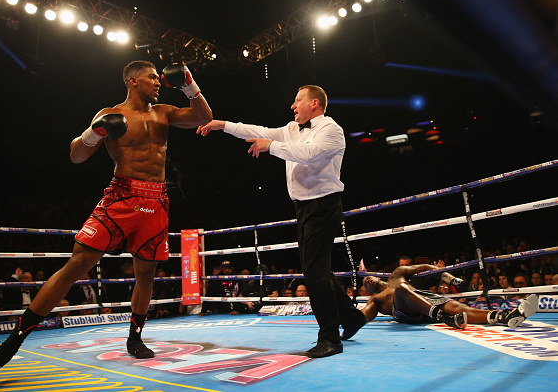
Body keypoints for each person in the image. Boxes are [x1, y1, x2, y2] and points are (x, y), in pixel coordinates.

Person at [0, 60, 212, 380]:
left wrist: (189, 85)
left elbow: (203, 117)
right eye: (152, 78)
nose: (158, 82)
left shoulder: (164, 112)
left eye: (159, 78)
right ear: (132, 81)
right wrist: (94, 132)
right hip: (121, 196)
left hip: (156, 201)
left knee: (146, 274)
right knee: (76, 265)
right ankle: (11, 344)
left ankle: (135, 337)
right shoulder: (111, 113)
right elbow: (76, 155)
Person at [197, 85, 367, 358]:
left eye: (297, 100)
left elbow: (307, 154)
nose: (292, 105)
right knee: (316, 269)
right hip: (303, 207)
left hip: (323, 205)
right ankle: (352, 317)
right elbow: (256, 130)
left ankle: (330, 338)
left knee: (314, 272)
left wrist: (271, 147)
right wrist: (222, 125)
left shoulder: (331, 129)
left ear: (314, 103)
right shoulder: (291, 129)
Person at [360, 264, 538, 329]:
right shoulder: (375, 300)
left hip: (424, 300)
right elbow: (362, 316)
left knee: (461, 308)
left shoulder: (397, 274)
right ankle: (444, 317)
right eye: (364, 283)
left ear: (378, 275)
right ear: (368, 290)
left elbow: (425, 267)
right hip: (406, 312)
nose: (367, 280)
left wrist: (450, 279)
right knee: (401, 290)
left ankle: (505, 316)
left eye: (368, 278)